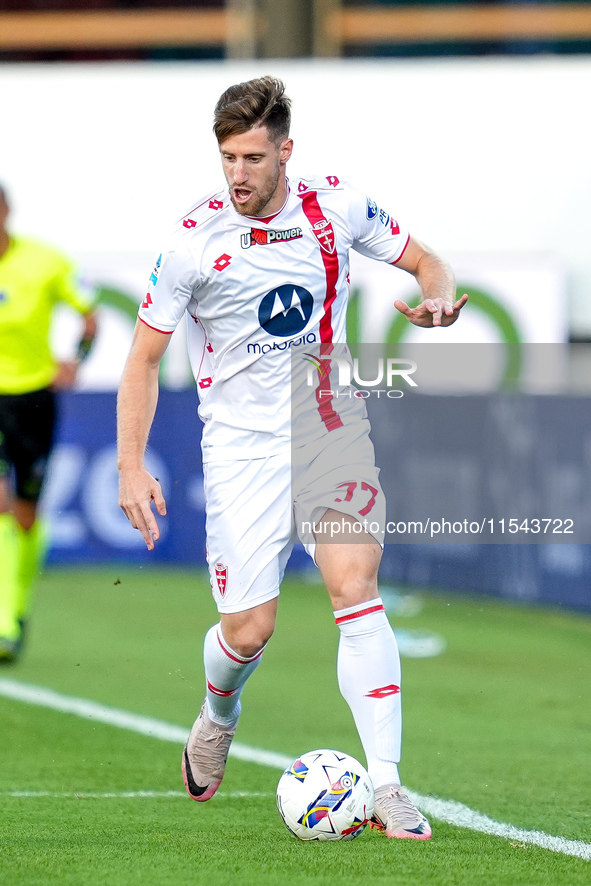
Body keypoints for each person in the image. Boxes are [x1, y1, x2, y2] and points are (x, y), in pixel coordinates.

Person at [117, 76, 467, 840]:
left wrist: (437, 298)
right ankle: (218, 713)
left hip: (326, 425)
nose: (237, 174)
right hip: (239, 446)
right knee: (249, 631)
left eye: (251, 157)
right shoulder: (192, 241)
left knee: (355, 586)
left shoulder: (336, 208)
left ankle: (386, 785)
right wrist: (129, 464)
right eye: (226, 158)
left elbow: (426, 262)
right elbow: (143, 360)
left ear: (285, 150)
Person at [0, 183, 97, 663]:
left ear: (5, 212)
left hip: (34, 401)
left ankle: (17, 608)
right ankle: (3, 621)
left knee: (25, 514)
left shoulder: (46, 262)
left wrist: (75, 360)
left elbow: (90, 316)